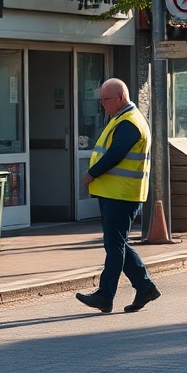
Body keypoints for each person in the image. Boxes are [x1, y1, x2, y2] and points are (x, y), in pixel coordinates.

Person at [74, 78, 161, 314]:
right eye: (101, 100)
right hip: (117, 193)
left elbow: (115, 154)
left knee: (114, 245)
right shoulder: (122, 119)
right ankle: (145, 288)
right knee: (118, 243)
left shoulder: (129, 122)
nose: (102, 104)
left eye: (106, 99)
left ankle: (105, 295)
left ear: (121, 98)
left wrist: (91, 174)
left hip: (121, 194)